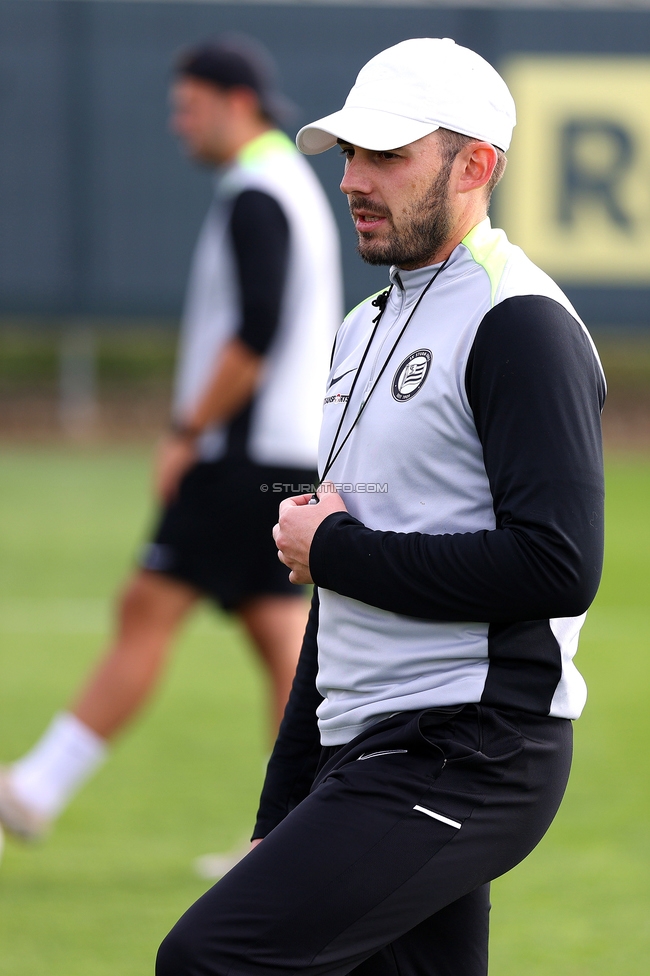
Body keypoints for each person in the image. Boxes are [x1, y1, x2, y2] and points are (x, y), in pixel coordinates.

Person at [156, 37, 606, 976]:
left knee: (206, 959)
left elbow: (559, 566)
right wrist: (279, 815)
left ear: (475, 164)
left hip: (471, 747)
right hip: (372, 747)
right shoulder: (366, 326)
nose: (355, 179)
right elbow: (339, 598)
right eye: (351, 153)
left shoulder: (518, 322)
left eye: (389, 155)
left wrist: (339, 547)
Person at [0, 35, 342, 842]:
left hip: (241, 453)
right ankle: (298, 833)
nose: (177, 123)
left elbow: (256, 329)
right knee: (276, 634)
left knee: (152, 605)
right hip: (276, 451)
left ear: (236, 103)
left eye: (188, 107)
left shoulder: (259, 188)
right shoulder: (278, 185)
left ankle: (35, 789)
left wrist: (187, 430)